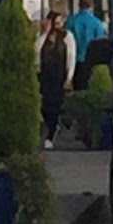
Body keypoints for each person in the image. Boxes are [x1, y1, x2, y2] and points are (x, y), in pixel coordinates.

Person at [35, 11, 76, 150]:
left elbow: (71, 57)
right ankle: (52, 126)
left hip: (59, 76)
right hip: (44, 76)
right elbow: (36, 51)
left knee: (54, 106)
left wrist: (69, 77)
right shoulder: (42, 37)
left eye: (60, 23)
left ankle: (50, 135)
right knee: (44, 106)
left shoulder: (67, 36)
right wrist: (44, 34)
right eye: (56, 23)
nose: (59, 26)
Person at [65, 0, 106, 91]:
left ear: (79, 5)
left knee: (76, 89)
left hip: (75, 61)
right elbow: (100, 42)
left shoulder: (71, 21)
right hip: (91, 61)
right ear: (91, 5)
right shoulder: (97, 23)